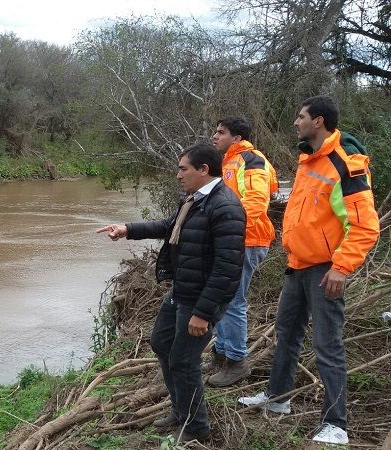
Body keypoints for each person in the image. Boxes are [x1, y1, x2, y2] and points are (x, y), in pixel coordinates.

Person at [238, 95, 380, 445]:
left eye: (300, 117)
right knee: (286, 334)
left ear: (318, 121)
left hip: (325, 271)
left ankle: (337, 425)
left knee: (327, 344)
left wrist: (341, 268)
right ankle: (278, 398)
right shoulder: (307, 158)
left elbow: (365, 226)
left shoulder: (346, 165)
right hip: (297, 265)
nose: (295, 122)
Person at [97, 143, 245, 443]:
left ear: (204, 170)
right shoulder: (195, 199)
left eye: (183, 169)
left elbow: (228, 269)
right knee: (161, 343)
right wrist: (128, 229)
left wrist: (203, 312)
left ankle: (195, 427)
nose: (178, 175)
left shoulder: (225, 207)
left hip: (200, 299)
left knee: (184, 360)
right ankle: (180, 411)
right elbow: (170, 226)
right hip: (182, 290)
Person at [206, 117, 278, 387]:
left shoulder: (251, 159)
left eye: (220, 132)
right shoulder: (229, 161)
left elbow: (257, 201)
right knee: (222, 298)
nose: (215, 136)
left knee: (233, 300)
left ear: (236, 138)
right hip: (235, 239)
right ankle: (222, 354)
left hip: (246, 240)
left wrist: (228, 230)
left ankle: (237, 362)